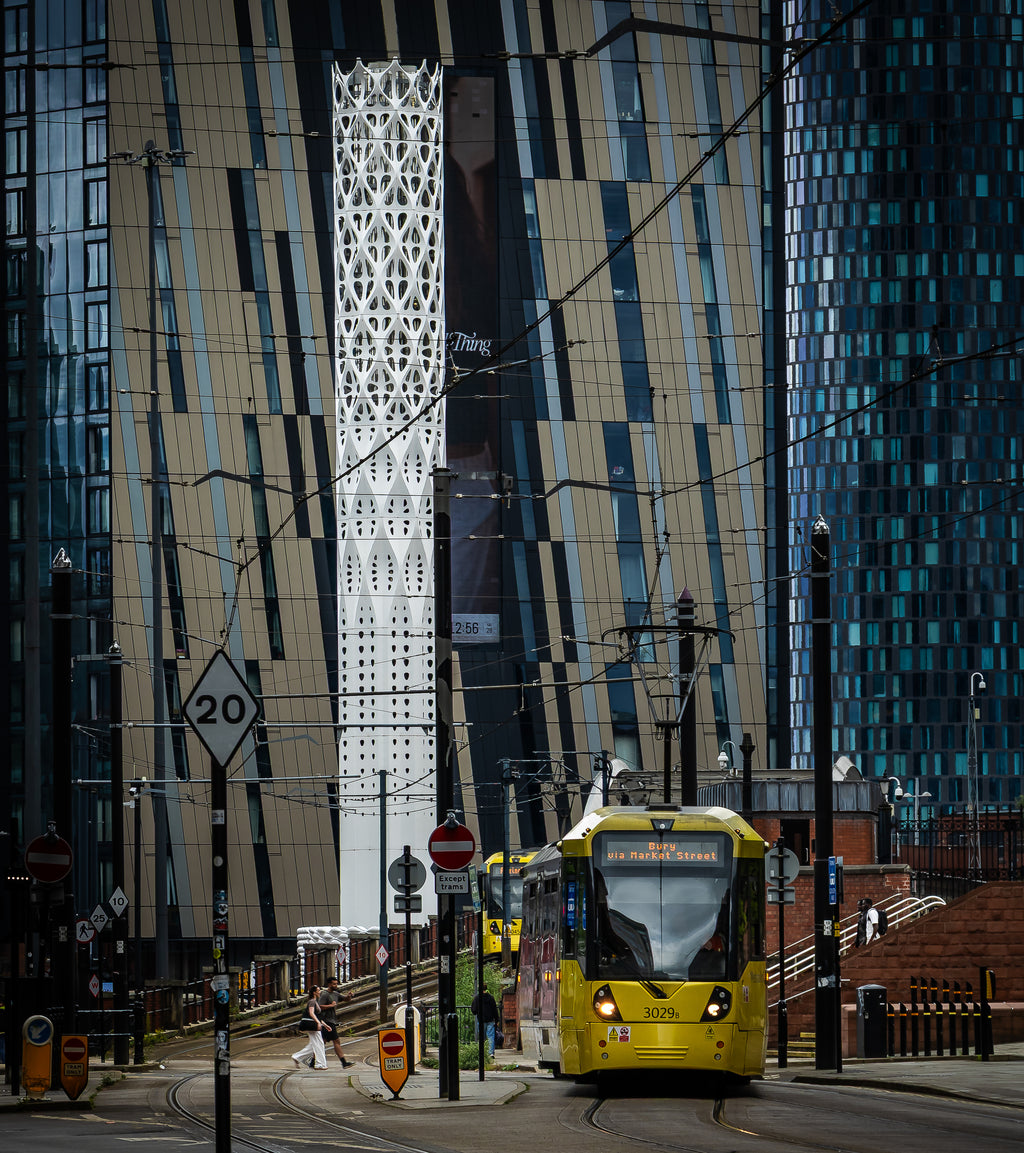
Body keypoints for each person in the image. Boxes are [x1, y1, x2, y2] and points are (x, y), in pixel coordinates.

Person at [318, 976, 354, 1067]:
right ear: (329, 984)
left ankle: (313, 1061)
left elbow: (345, 999)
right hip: (327, 1021)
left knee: (323, 1041)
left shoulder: (336, 994)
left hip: (331, 1020)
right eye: (334, 984)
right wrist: (330, 1005)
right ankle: (344, 1062)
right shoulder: (325, 994)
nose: (335, 985)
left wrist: (349, 996)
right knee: (336, 1041)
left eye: (336, 983)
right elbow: (319, 1007)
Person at [291, 985, 328, 1070]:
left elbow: (317, 1015)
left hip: (313, 1024)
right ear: (314, 992)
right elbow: (311, 1013)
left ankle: (297, 1057)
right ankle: (320, 1064)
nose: (320, 992)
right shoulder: (312, 1001)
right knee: (319, 1044)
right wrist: (318, 1023)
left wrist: (325, 1025)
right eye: (318, 990)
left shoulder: (314, 1001)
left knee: (313, 1044)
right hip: (312, 1025)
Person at [471, 987, 501, 1056]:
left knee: (482, 1036)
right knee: (490, 1036)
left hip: (481, 1020)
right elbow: (494, 1010)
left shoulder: (477, 998)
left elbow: (474, 1010)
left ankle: (482, 1052)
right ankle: (491, 1053)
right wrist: (497, 1019)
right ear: (486, 989)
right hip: (490, 1020)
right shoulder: (491, 998)